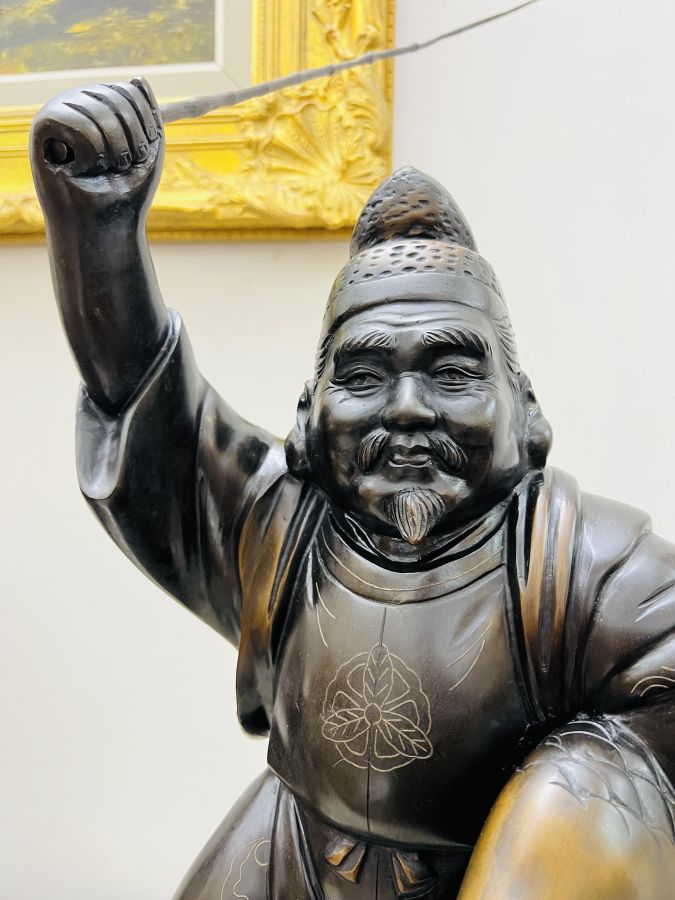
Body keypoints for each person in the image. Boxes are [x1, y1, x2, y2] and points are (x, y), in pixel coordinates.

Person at [31, 79, 675, 899]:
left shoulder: (584, 569)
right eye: (364, 376)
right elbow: (150, 414)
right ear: (309, 416)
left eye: (450, 372)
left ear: (525, 410)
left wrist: (584, 789)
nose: (406, 409)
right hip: (286, 861)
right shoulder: (280, 527)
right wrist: (98, 229)